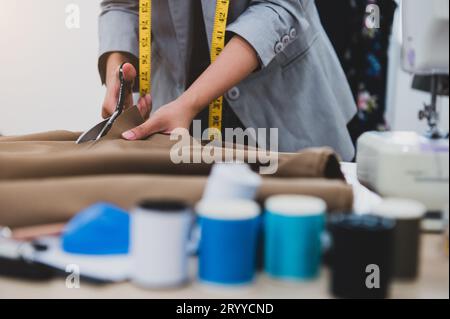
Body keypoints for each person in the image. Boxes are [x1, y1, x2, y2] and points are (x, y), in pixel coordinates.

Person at [99, 0, 357, 161]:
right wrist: (116, 73)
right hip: (175, 111)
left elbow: (279, 6)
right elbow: (122, 4)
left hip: (281, 107)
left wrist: (188, 103)